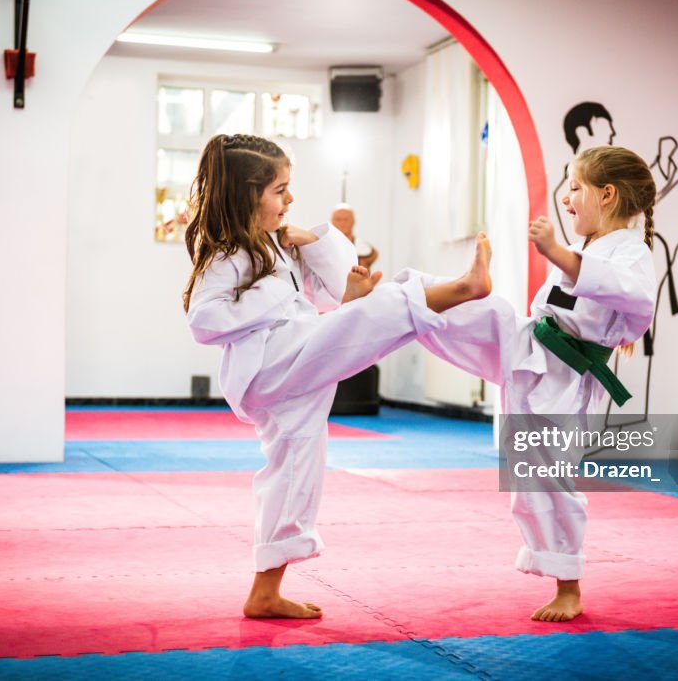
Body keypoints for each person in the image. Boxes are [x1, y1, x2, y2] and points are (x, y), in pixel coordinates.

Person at [183, 133, 492, 620]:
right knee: (386, 308)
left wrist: (318, 250)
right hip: (271, 366)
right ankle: (462, 287)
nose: (290, 199)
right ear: (247, 194)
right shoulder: (228, 254)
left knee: (295, 473)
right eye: (280, 190)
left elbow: (325, 290)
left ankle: (265, 589)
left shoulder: (276, 246)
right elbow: (204, 320)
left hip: (293, 363)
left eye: (289, 187)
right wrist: (282, 298)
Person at [402, 145, 657, 622]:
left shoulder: (630, 250)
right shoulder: (589, 249)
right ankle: (406, 298)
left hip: (563, 375)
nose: (566, 199)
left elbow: (635, 299)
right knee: (484, 314)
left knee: (542, 478)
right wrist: (570, 261)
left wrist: (558, 254)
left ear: (607, 194)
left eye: (575, 188)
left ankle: (568, 587)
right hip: (532, 346)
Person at [330, 202, 378, 269]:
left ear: (353, 221)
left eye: (346, 219)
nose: (342, 223)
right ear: (332, 221)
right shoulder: (324, 247)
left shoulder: (365, 249)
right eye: (338, 219)